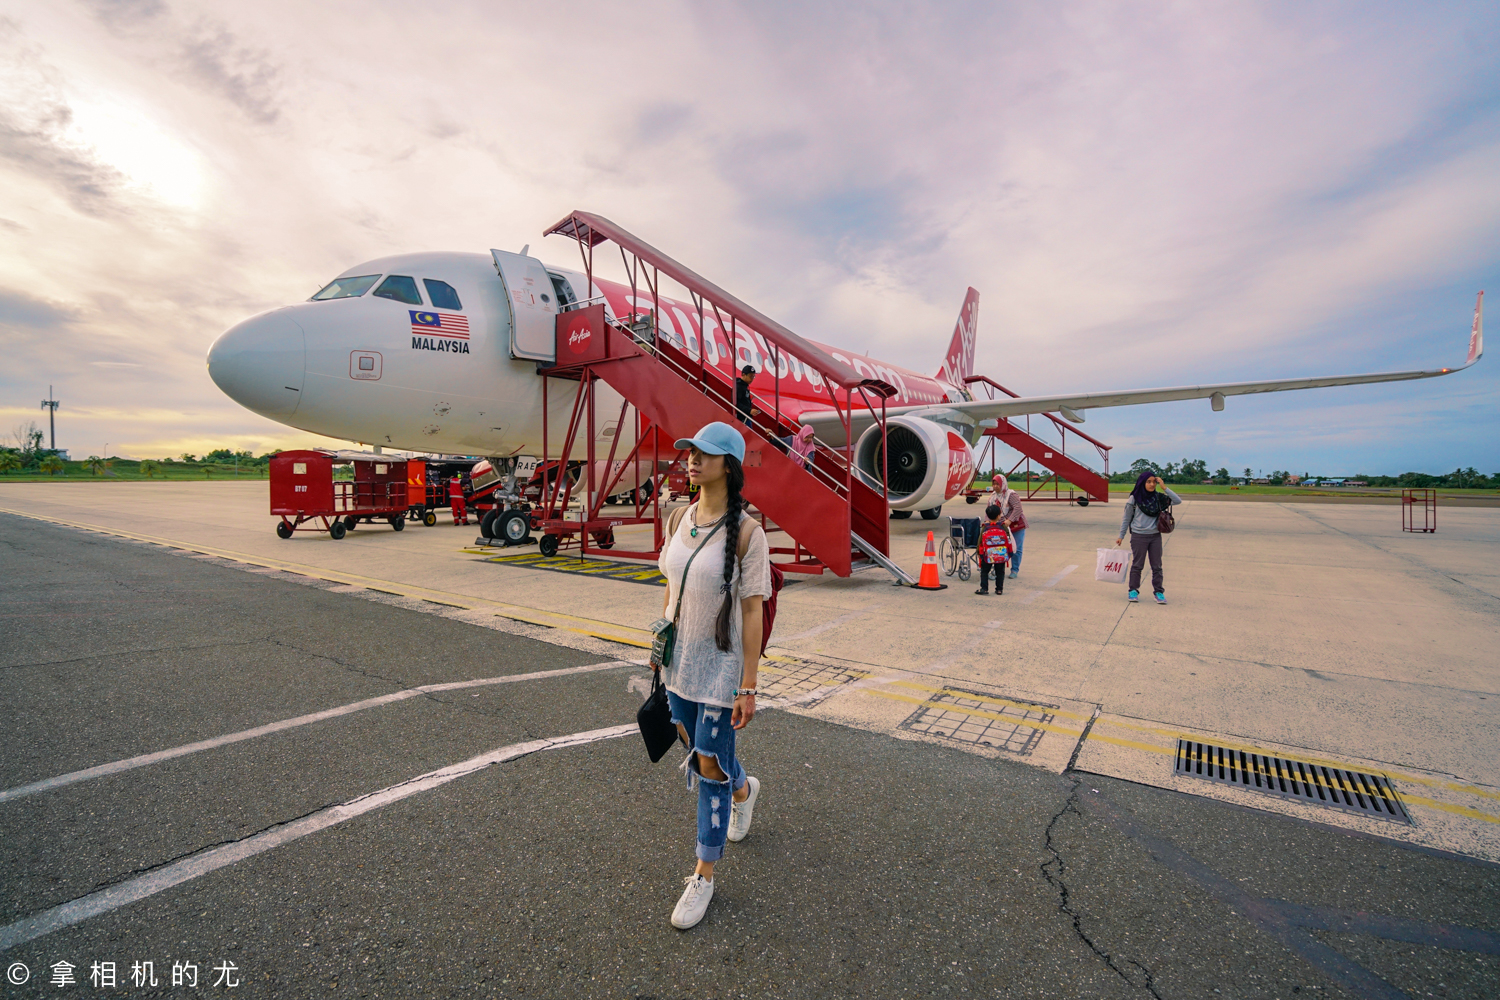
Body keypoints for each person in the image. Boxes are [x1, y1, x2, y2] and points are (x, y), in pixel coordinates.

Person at [656, 420, 772, 930]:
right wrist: (660, 646)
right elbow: (671, 587)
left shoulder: (748, 533)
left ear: (729, 464)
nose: (691, 460)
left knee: (707, 763)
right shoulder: (680, 515)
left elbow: (752, 613)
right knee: (700, 751)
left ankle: (704, 871)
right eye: (688, 452)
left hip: (721, 669)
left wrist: (748, 684)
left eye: (704, 453)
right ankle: (744, 791)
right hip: (678, 662)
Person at [1115, 471, 1182, 604]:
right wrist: (1121, 535)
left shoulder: (1158, 498)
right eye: (1148, 482)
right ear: (1142, 482)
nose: (1152, 485)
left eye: (1154, 482)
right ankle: (1133, 590)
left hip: (1155, 536)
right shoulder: (1134, 499)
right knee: (1138, 565)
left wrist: (1164, 487)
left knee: (1157, 566)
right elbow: (1126, 518)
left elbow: (1177, 500)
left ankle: (1159, 592)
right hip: (1138, 536)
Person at [982, 475, 1027, 579]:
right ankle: (996, 570)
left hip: (1015, 525)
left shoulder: (1011, 494)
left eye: (998, 484)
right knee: (997, 547)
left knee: (1017, 548)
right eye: (994, 484)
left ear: (1003, 484)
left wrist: (1009, 520)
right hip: (1000, 526)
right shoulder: (993, 496)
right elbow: (988, 510)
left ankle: (1014, 570)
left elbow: (1018, 508)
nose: (995, 486)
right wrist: (987, 522)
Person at [975, 504, 1010, 595]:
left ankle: (984, 588)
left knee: (984, 571)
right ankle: (999, 589)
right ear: (999, 515)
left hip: (988, 554)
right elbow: (1008, 538)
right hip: (1001, 553)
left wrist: (978, 551)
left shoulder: (985, 527)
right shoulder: (1003, 526)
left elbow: (980, 540)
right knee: (1000, 572)